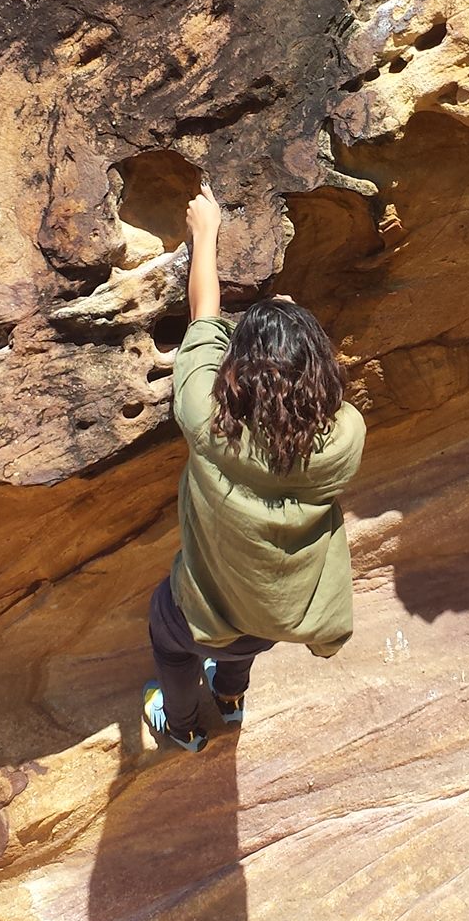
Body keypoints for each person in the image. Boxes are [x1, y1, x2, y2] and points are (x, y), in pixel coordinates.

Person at [142, 181, 367, 752]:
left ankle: (186, 723)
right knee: (242, 648)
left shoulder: (205, 420)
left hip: (205, 609)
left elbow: (203, 321)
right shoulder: (344, 440)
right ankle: (231, 697)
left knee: (170, 637)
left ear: (238, 371)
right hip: (274, 615)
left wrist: (205, 234)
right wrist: (293, 328)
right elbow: (312, 390)